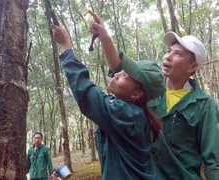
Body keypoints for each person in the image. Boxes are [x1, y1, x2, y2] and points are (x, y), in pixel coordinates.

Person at [87, 10, 219, 180]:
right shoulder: (150, 91)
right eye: (168, 51)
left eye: (177, 54)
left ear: (192, 67)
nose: (168, 56)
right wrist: (104, 35)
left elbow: (213, 160)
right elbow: (119, 68)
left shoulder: (204, 104)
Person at [50, 19, 165, 179]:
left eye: (125, 75)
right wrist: (103, 35)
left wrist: (66, 48)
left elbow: (86, 92)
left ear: (137, 94)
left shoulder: (127, 115)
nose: (116, 74)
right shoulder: (133, 113)